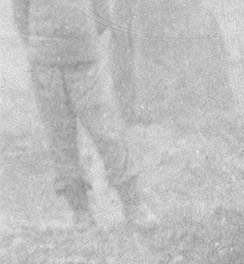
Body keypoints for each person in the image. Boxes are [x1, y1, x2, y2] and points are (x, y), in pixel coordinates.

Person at [15, 0, 153, 227]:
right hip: (45, 64)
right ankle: (81, 212)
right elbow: (20, 16)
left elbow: (101, 15)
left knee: (107, 133)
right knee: (60, 139)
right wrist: (41, 47)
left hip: (85, 60)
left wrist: (82, 40)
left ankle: (134, 206)